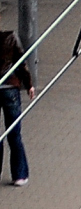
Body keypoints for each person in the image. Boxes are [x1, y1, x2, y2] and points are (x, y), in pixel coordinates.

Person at [0, 18, 34, 187]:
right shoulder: (11, 37)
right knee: (14, 134)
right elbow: (21, 63)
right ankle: (19, 175)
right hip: (10, 88)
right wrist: (29, 85)